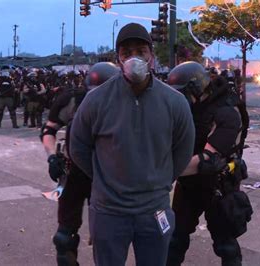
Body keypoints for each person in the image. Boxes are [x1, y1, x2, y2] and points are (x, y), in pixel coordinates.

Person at [69, 23, 195, 266]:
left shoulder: (174, 102)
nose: (134, 58)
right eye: (127, 53)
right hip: (109, 212)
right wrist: (105, 180)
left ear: (151, 56)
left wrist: (160, 180)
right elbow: (78, 147)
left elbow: (183, 150)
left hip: (155, 211)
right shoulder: (96, 101)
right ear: (118, 59)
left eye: (141, 51)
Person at [166, 61, 253, 266]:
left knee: (226, 246)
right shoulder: (193, 108)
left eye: (182, 94)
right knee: (174, 240)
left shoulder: (227, 112)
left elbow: (209, 161)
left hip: (219, 186)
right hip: (189, 184)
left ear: (196, 88)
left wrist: (164, 172)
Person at [41, 62, 120, 266]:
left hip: (107, 175)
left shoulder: (128, 104)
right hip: (74, 172)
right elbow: (48, 131)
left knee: (106, 238)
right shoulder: (73, 100)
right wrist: (51, 156)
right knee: (64, 238)